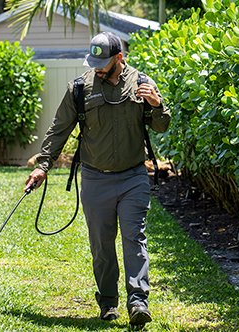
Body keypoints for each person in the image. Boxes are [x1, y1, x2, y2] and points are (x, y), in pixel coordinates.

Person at [24, 31, 170, 326]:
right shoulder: (79, 88)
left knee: (134, 237)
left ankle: (138, 302)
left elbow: (161, 126)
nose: (97, 68)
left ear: (120, 58)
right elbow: (59, 129)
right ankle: (108, 302)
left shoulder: (142, 83)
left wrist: (156, 105)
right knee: (102, 245)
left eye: (103, 62)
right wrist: (43, 165)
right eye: (94, 62)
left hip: (133, 177)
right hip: (95, 178)